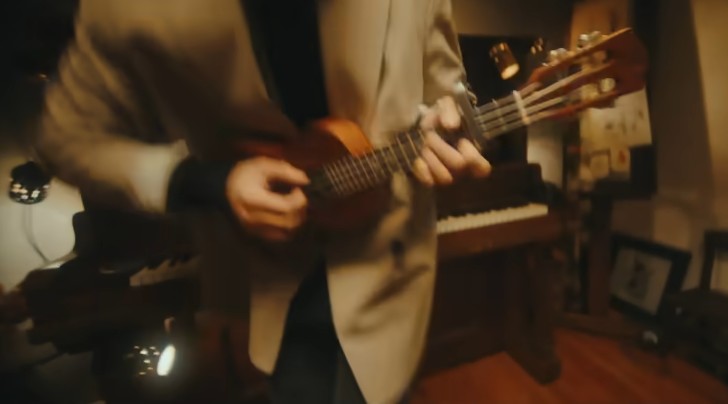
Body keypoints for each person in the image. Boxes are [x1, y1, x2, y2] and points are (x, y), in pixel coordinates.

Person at [34, 0, 490, 403]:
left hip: (389, 274)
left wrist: (442, 118)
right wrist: (204, 183)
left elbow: (447, 90)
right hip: (260, 281)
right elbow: (65, 138)